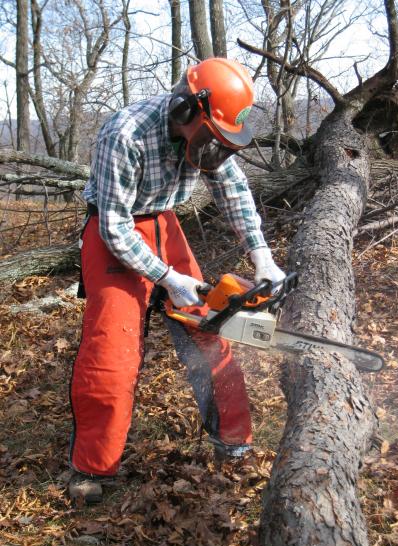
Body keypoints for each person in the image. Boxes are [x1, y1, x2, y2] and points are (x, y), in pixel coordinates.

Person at [68, 57, 285, 504]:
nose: (214, 149)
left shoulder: (209, 140)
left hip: (164, 224)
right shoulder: (125, 134)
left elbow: (233, 190)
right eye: (212, 135)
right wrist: (167, 278)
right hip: (115, 231)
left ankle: (233, 439)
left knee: (209, 328)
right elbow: (113, 226)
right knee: (113, 349)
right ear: (186, 111)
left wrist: (260, 254)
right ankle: (93, 466)